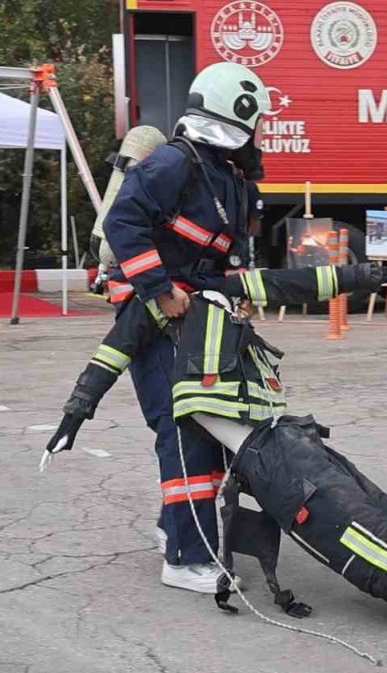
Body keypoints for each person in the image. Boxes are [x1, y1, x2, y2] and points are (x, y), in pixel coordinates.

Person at [42, 276, 387, 657]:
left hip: (293, 440)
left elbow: (296, 280)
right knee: (379, 548)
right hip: (273, 467)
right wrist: (75, 411)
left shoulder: (216, 285)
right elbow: (111, 353)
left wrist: (359, 272)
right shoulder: (163, 301)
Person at [100, 61, 271, 594]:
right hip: (152, 319)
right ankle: (185, 558)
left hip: (195, 319)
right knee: (184, 429)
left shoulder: (224, 173)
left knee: (202, 423)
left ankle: (174, 527)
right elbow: (121, 221)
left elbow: (217, 253)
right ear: (237, 116)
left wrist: (235, 299)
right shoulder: (177, 162)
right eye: (258, 119)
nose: (262, 129)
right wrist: (161, 290)